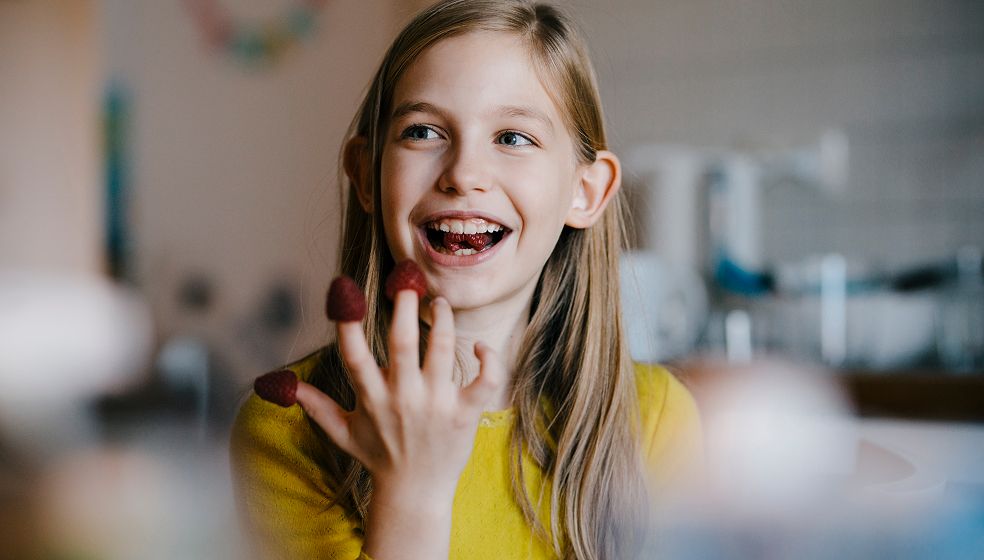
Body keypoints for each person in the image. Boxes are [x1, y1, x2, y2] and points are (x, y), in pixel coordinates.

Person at [230, 1, 702, 558]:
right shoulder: (291, 430)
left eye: (513, 138)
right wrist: (411, 494)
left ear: (586, 191)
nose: (464, 175)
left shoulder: (656, 421)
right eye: (424, 131)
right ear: (365, 174)